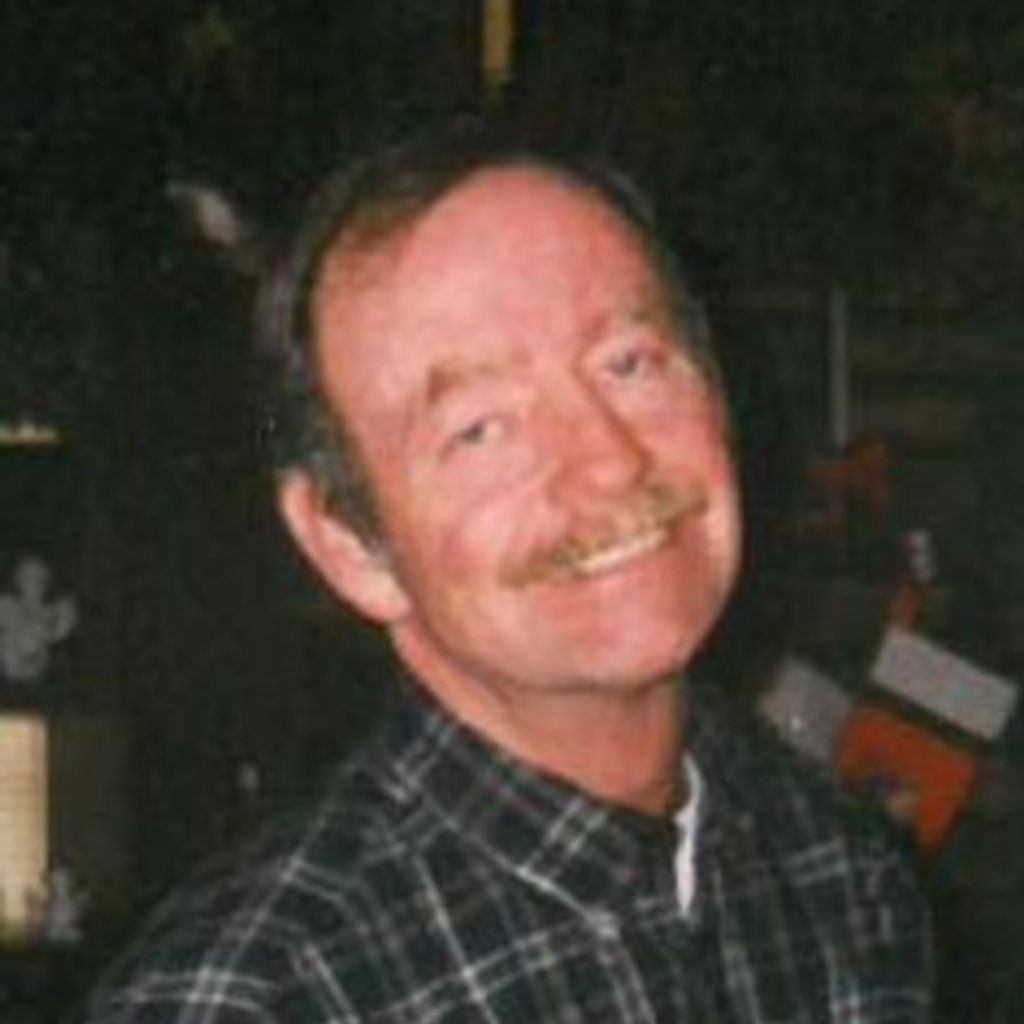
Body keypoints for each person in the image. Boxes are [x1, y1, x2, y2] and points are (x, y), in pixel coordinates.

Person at [81, 122, 932, 1022]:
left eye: (630, 363)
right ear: (350, 547)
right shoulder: (252, 1002)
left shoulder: (836, 870)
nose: (608, 460)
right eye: (481, 428)